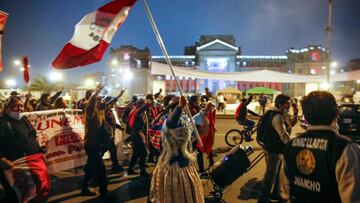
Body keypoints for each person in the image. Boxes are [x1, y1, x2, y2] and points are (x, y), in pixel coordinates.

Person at [280, 91, 360, 202]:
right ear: (336, 113)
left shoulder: (290, 146)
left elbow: (285, 191)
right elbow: (352, 198)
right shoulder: (345, 148)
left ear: (306, 116)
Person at [149, 96, 204, 203]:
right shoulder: (169, 123)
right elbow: (171, 123)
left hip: (184, 166)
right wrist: (179, 107)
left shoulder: (183, 122)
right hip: (174, 169)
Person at [0, 95, 50, 202]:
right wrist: (1, 159)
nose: (19, 109)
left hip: (32, 163)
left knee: (36, 192)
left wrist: (40, 148)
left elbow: (32, 137)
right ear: (7, 107)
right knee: (16, 195)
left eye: (21, 106)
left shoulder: (24, 119)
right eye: (15, 106)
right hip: (12, 166)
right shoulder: (1, 122)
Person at [258, 94, 298, 203]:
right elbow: (283, 134)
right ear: (280, 104)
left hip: (274, 148)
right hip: (273, 150)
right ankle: (263, 198)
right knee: (270, 174)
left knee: (277, 173)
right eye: (287, 104)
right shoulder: (277, 116)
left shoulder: (278, 113)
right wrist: (291, 146)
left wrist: (295, 113)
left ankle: (276, 194)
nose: (289, 106)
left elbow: (290, 125)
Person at [81, 84, 114, 201]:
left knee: (90, 167)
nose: (103, 99)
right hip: (91, 144)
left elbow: (110, 102)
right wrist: (97, 91)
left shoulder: (100, 110)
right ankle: (103, 192)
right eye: (100, 98)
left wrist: (119, 94)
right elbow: (91, 101)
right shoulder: (90, 110)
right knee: (101, 168)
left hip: (97, 144)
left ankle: (84, 187)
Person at [102, 91, 125, 172]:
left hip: (110, 134)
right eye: (112, 102)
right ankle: (115, 166)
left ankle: (91, 165)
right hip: (107, 135)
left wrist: (119, 127)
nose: (114, 104)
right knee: (112, 150)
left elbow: (113, 123)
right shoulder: (104, 112)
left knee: (104, 150)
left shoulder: (109, 111)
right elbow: (107, 124)